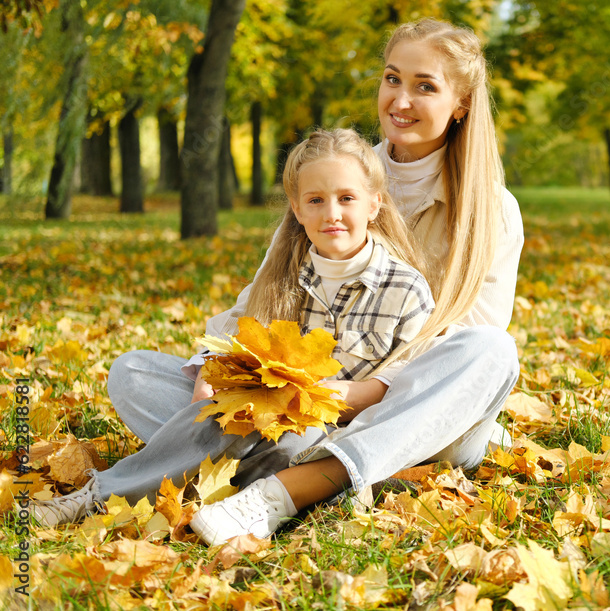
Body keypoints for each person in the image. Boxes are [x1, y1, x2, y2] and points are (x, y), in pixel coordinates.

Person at [186, 18, 525, 546]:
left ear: (460, 104)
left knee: (491, 351)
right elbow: (260, 298)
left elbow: (461, 345)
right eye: (393, 79)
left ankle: (283, 488)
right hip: (307, 401)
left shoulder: (493, 211)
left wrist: (357, 396)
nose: (401, 100)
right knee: (139, 374)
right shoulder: (335, 177)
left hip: (405, 398)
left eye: (425, 86)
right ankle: (362, 457)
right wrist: (215, 368)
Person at [31, 128, 435, 526]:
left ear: (374, 204)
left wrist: (294, 401)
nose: (331, 213)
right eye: (316, 200)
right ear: (297, 209)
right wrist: (209, 394)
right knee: (132, 373)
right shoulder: (284, 272)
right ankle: (237, 475)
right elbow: (228, 344)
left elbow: (394, 391)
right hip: (256, 416)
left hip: (328, 436)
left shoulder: (406, 289)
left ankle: (104, 493)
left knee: (283, 437)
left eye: (346, 198)